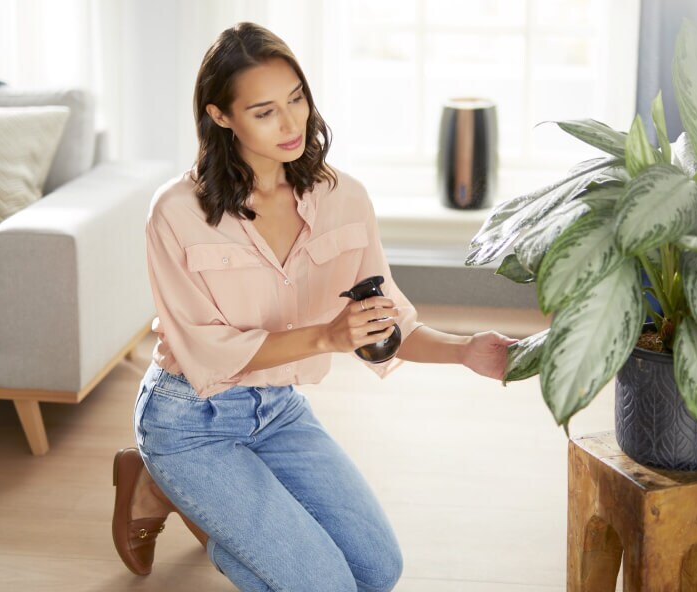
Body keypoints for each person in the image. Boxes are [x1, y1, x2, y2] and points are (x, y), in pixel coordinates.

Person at [111, 21, 517, 592]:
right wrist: (327, 337)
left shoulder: (343, 198)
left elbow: (389, 321)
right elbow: (210, 354)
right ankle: (172, 479)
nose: (291, 122)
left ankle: (177, 495)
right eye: (265, 111)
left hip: (277, 410)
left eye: (297, 98)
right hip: (190, 419)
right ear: (220, 116)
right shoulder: (176, 212)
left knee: (378, 571)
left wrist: (465, 353)